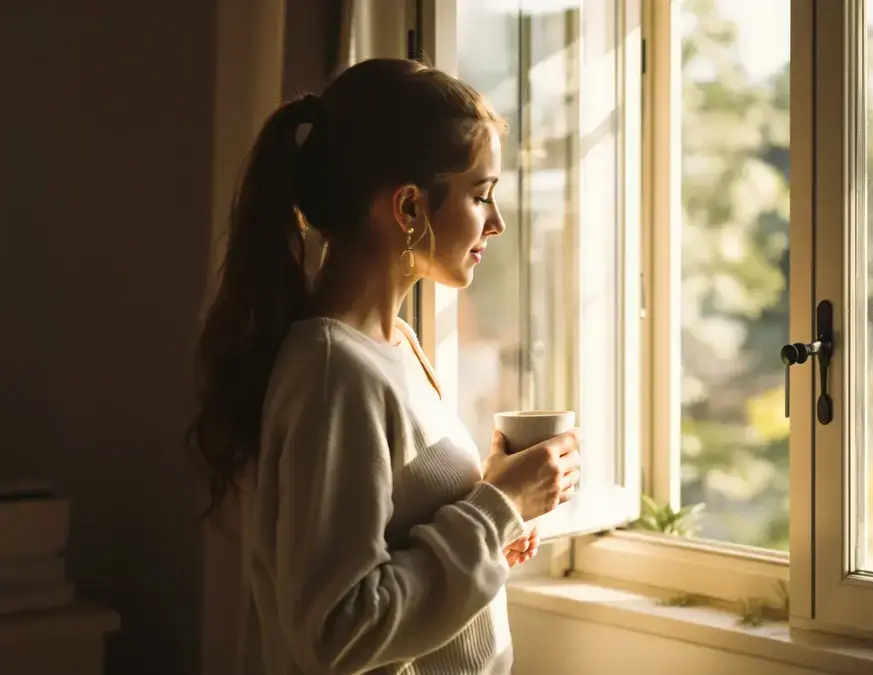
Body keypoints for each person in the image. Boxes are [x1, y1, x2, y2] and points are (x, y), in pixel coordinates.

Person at [187, 58, 581, 675]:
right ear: (408, 208)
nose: (496, 223)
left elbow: (399, 545)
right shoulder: (333, 373)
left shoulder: (397, 344)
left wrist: (497, 510)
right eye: (481, 196)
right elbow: (339, 631)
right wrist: (497, 506)